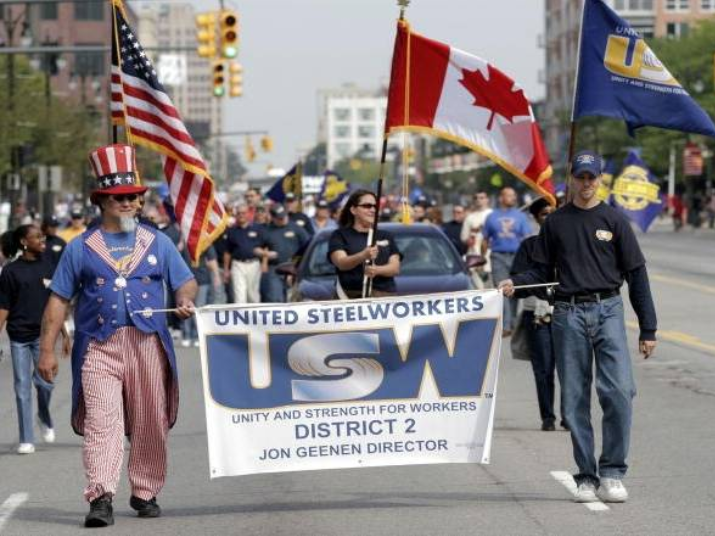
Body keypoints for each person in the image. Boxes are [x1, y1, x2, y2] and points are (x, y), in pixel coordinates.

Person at [37, 144, 197, 528]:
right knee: (101, 422)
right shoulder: (80, 248)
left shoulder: (157, 243)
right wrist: (46, 350)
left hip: (147, 343)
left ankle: (144, 490)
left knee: (149, 420)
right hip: (98, 346)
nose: (128, 204)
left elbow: (186, 281)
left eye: (133, 197)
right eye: (119, 198)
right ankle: (101, 495)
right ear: (102, 202)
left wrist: (184, 300)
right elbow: (59, 300)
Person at [499, 150, 657, 504]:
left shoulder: (614, 220)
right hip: (567, 314)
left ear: (600, 179)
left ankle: (613, 471)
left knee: (619, 392)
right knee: (573, 401)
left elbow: (637, 274)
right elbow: (541, 271)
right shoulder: (556, 222)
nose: (586, 183)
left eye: (592, 177)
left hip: (608, 310)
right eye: (580, 177)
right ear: (571, 179)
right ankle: (586, 475)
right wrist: (514, 282)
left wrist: (649, 328)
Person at [0, 224, 70, 455]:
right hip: (19, 336)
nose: (43, 240)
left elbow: (58, 303)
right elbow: (3, 307)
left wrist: (65, 332)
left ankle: (43, 413)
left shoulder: (50, 266)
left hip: (44, 337)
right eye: (37, 237)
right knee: (22, 387)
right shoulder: (10, 271)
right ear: (23, 242)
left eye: (42, 236)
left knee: (45, 382)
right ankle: (26, 438)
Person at [509, 198, 564, 432]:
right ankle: (548, 416)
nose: (549, 217)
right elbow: (518, 283)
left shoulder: (569, 242)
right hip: (539, 315)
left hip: (567, 313)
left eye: (554, 212)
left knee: (570, 368)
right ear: (535, 218)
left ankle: (569, 414)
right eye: (544, 214)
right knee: (543, 368)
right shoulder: (529, 246)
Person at [328, 189, 401, 299]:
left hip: (383, 298)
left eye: (375, 206)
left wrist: (376, 270)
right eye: (367, 206)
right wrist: (363, 255)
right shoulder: (339, 235)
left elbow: (395, 268)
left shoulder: (386, 236)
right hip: (350, 297)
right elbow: (341, 263)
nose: (372, 209)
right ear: (353, 210)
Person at [482, 186, 532, 335]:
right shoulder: (491, 216)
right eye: (509, 195)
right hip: (498, 256)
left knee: (515, 290)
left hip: (517, 257)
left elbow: (527, 238)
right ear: (501, 198)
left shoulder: (520, 216)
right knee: (501, 290)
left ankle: (513, 322)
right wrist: (481, 257)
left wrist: (530, 258)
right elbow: (485, 239)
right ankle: (506, 325)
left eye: (514, 195)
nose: (513, 198)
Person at [256, 204, 310, 303]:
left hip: (294, 268)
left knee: (293, 299)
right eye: (280, 218)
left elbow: (308, 246)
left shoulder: (296, 228)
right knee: (275, 299)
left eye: (284, 216)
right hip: (275, 269)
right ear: (273, 218)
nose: (283, 219)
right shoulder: (267, 230)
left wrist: (298, 264)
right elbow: (256, 249)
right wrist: (265, 253)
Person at [223, 203, 262, 304]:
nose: (241, 215)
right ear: (236, 215)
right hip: (238, 264)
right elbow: (227, 252)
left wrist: (265, 262)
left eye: (243, 213)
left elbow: (265, 245)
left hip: (254, 264)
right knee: (239, 296)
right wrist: (226, 270)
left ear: (248, 214)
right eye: (239, 213)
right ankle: (241, 318)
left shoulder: (257, 228)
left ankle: (255, 319)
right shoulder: (231, 231)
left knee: (253, 295)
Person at [461, 190, 493, 289]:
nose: (479, 200)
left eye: (482, 197)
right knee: (479, 290)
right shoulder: (470, 217)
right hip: (474, 258)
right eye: (476, 198)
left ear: (487, 200)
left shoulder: (493, 214)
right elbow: (464, 238)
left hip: (490, 258)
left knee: (491, 290)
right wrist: (470, 238)